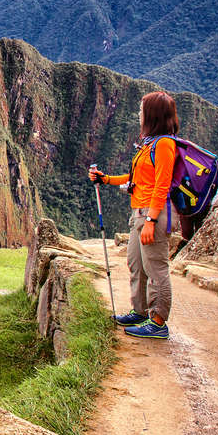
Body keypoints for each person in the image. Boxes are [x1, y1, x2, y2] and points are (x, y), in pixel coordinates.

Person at [88, 91, 177, 340]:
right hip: (139, 212)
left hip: (153, 214)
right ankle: (140, 311)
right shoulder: (150, 144)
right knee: (137, 264)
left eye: (142, 111)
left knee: (156, 268)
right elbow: (134, 179)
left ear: (153, 115)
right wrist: (105, 179)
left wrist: (151, 220)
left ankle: (158, 322)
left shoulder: (165, 145)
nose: (139, 115)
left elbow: (162, 185)